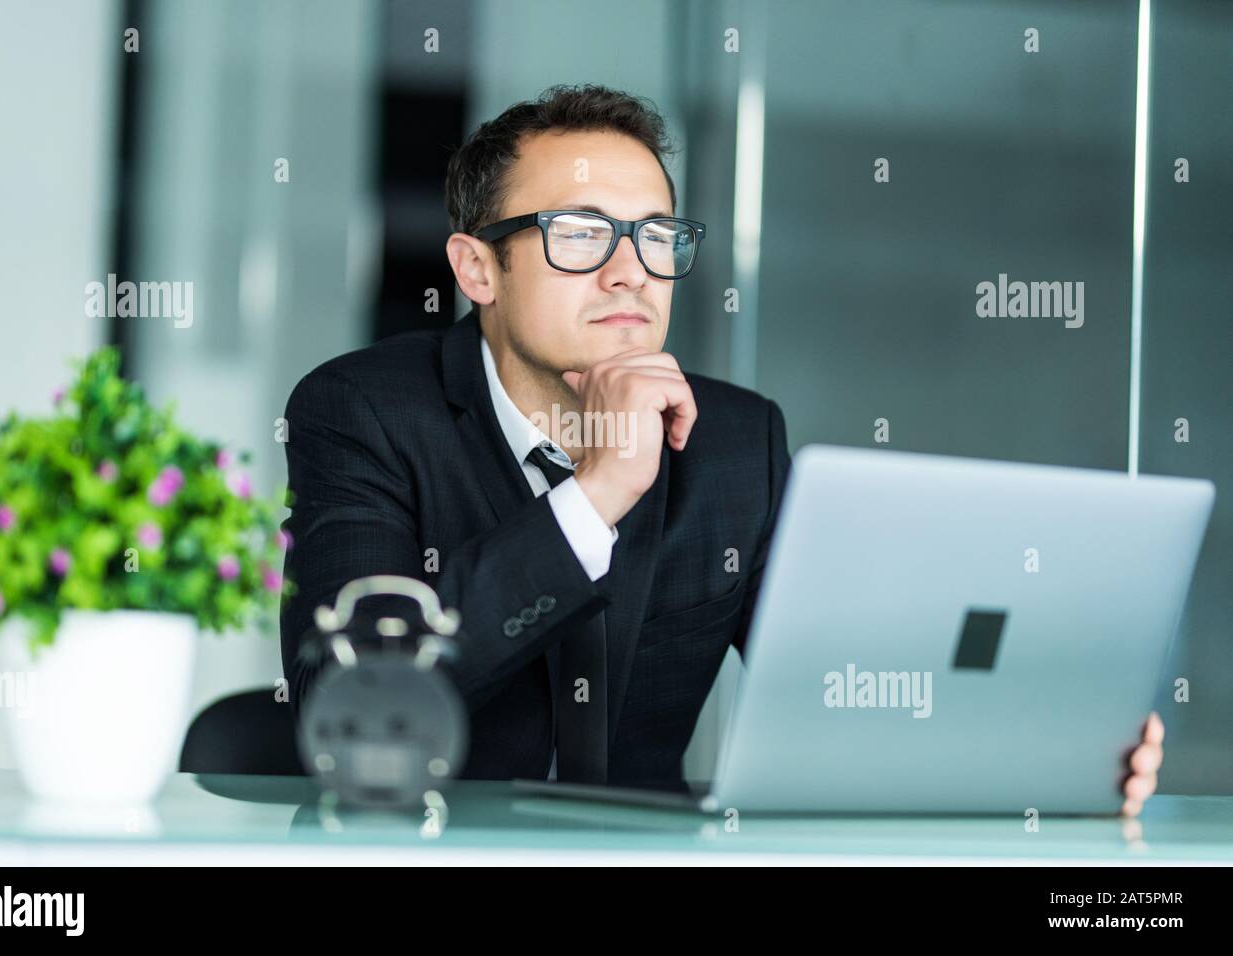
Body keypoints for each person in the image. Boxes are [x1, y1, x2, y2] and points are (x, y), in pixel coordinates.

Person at [279, 83, 1163, 813]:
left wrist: (1049, 756)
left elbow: (848, 697)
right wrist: (596, 495)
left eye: (655, 238)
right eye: (582, 234)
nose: (630, 271)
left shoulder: (736, 441)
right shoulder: (361, 414)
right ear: (478, 270)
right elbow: (353, 697)